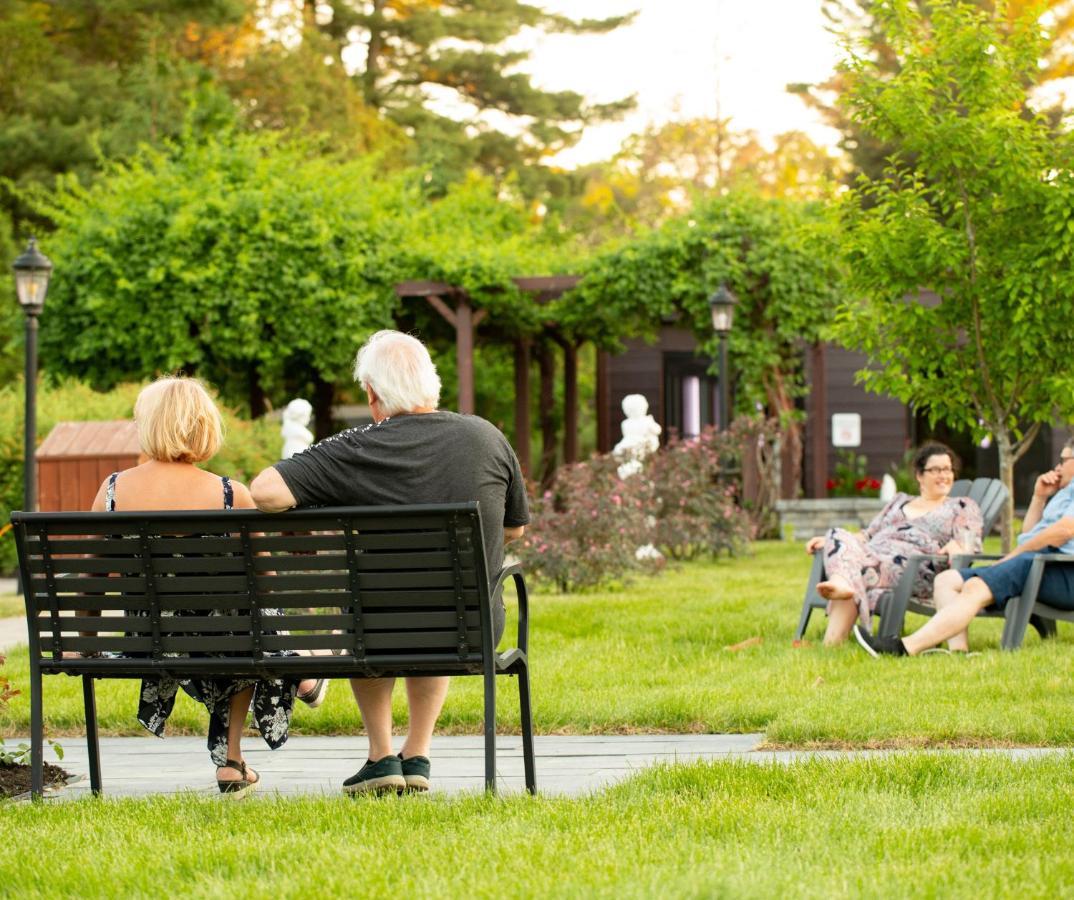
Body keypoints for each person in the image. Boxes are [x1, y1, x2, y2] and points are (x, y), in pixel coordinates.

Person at [250, 330, 529, 795]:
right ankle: (417, 753)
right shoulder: (486, 436)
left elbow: (264, 491)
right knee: (445, 594)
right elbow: (514, 528)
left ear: (372, 394)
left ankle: (381, 757)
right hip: (471, 627)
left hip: (376, 628)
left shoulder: (354, 448)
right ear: (431, 384)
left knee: (372, 606)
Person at [92, 377, 327, 797]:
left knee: (237, 621)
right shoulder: (229, 494)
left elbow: (94, 582)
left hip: (147, 641)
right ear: (203, 426)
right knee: (248, 618)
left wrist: (85, 643)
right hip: (226, 643)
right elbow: (267, 582)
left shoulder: (111, 491)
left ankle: (237, 758)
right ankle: (288, 681)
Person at [855, 440, 1074, 658]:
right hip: (1037, 563)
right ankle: (959, 653)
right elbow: (1030, 533)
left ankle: (902, 648)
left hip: (1062, 571)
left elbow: (1064, 531)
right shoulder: (1063, 493)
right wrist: (1039, 497)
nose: (1057, 466)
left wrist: (1013, 557)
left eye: (1064, 460)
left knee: (976, 587)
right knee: (946, 580)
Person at [806, 442, 982, 646]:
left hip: (913, 567)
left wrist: (958, 546)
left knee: (857, 569)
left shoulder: (961, 506)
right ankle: (841, 583)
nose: (943, 475)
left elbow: (970, 540)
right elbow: (867, 534)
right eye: (935, 470)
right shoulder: (899, 500)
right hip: (873, 555)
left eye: (948, 469)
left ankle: (833, 640)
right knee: (835, 533)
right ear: (919, 475)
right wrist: (832, 541)